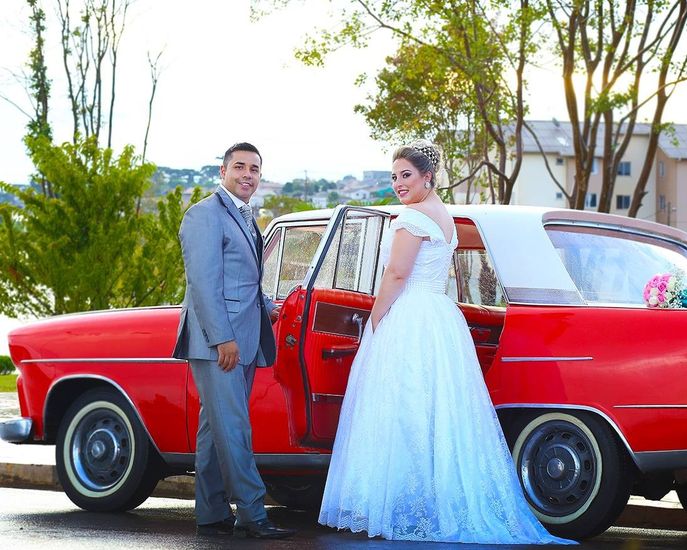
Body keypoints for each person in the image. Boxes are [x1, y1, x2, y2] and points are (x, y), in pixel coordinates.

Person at [318, 140, 574, 544]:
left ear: (427, 177)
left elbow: (396, 276)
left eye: (406, 175)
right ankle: (435, 498)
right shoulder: (445, 217)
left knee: (403, 409)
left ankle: (403, 502)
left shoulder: (411, 218)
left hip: (410, 314)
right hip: (439, 314)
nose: (399, 183)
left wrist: (376, 318)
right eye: (394, 176)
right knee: (439, 411)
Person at [172, 142, 295, 540]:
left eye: (255, 169)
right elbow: (204, 284)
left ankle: (210, 513)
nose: (248, 174)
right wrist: (223, 339)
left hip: (243, 336)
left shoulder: (244, 215)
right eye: (239, 167)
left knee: (215, 429)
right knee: (236, 428)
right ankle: (253, 515)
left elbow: (242, 278)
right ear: (222, 171)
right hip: (219, 343)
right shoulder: (204, 215)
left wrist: (267, 306)